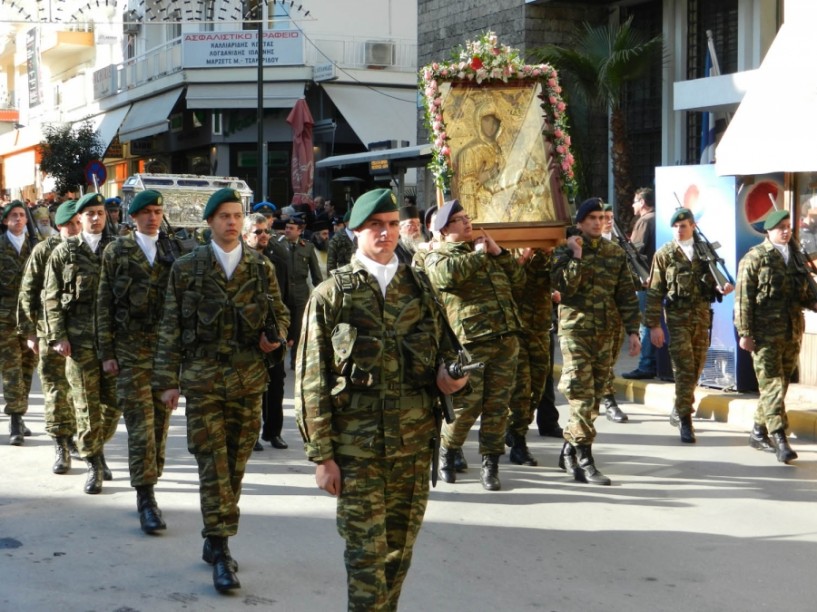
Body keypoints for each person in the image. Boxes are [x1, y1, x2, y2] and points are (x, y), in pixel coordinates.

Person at [295, 187, 467, 611]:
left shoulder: (418, 287)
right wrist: (322, 457)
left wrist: (451, 379)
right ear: (355, 231)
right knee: (366, 561)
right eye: (375, 225)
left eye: (392, 225)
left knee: (398, 557)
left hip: (412, 447)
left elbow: (449, 353)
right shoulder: (332, 295)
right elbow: (310, 382)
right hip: (358, 452)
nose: (386, 233)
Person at [153, 188, 289, 593]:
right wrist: (167, 381)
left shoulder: (260, 266)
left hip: (248, 381)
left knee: (236, 462)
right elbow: (170, 326)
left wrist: (276, 336)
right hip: (203, 379)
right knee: (212, 462)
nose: (231, 222)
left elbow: (279, 313)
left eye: (236, 215)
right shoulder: (187, 267)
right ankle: (221, 544)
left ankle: (215, 534)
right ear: (209, 223)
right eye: (224, 216)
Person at [424, 199, 524, 491]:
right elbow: (448, 276)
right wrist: (481, 254)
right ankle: (448, 450)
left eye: (468, 217)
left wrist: (499, 253)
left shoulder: (485, 252)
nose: (468, 223)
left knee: (497, 406)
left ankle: (490, 464)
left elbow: (518, 281)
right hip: (471, 343)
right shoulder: (439, 256)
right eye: (459, 220)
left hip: (506, 338)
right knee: (468, 405)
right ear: (443, 230)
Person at [97, 190, 176, 533]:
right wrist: (107, 353)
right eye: (146, 212)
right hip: (130, 351)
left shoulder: (174, 251)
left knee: (160, 425)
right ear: (133, 217)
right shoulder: (118, 250)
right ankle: (145, 496)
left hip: (164, 353)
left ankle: (151, 479)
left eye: (158, 211)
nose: (152, 217)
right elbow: (104, 304)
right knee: (141, 426)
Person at [552, 198, 640, 486]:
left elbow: (625, 293)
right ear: (580, 222)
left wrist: (633, 331)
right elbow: (564, 288)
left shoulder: (614, 253)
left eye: (602, 217)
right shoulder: (563, 250)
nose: (598, 222)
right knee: (581, 393)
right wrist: (576, 254)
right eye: (591, 217)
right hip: (576, 332)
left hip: (606, 334)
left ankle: (568, 449)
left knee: (594, 399)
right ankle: (585, 459)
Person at [43, 192, 120, 493]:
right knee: (86, 406)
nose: (96, 218)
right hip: (79, 341)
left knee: (113, 405)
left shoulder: (117, 249)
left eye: (100, 212)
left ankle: (92, 445)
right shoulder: (64, 252)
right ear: (80, 218)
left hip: (112, 342)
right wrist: (58, 336)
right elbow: (50, 297)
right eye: (90, 214)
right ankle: (94, 463)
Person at [645, 208, 734, 444]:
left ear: (693, 226)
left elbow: (716, 280)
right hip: (677, 317)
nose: (679, 230)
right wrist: (654, 325)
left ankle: (679, 405)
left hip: (702, 316)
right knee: (684, 367)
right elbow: (654, 291)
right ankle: (685, 418)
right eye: (675, 226)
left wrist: (721, 287)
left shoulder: (705, 251)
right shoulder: (665, 254)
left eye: (683, 226)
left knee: (696, 366)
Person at [735, 210, 817, 463]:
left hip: (792, 331)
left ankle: (758, 431)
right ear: (768, 231)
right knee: (771, 383)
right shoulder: (755, 258)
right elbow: (743, 299)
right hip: (764, 334)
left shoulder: (795, 258)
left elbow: (803, 295)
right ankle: (780, 437)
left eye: (787, 226)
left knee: (779, 385)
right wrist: (745, 333)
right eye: (780, 227)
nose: (785, 231)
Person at [17, 200, 81, 469]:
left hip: (81, 334)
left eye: (77, 223)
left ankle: (80, 439)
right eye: (68, 225)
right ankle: (61, 444)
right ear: (58, 226)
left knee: (79, 392)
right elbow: (28, 291)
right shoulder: (44, 250)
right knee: (55, 389)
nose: (73, 228)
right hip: (48, 332)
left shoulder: (89, 250)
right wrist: (29, 331)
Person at [242, 213, 291, 451]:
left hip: (275, 333)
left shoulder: (278, 259)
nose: (263, 236)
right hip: (250, 336)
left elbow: (291, 296)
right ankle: (250, 435)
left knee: (276, 385)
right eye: (257, 232)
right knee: (251, 387)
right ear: (245, 235)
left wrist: (289, 332)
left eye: (266, 231)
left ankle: (273, 432)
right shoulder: (238, 261)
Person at [505, 248, 552, 466]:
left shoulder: (554, 252)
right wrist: (524, 256)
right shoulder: (508, 250)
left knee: (538, 387)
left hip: (540, 328)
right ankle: (519, 440)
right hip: (515, 328)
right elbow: (507, 283)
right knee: (520, 388)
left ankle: (514, 427)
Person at [1, 200, 37, 445]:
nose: (18, 219)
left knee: (26, 367)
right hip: (3, 318)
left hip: (30, 319)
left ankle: (20, 415)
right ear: (5, 221)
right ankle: (14, 418)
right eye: (13, 215)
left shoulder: (36, 246)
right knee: (11, 369)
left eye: (22, 215)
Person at [268, 214, 323, 369]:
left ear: (300, 231)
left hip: (300, 293)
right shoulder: (278, 245)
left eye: (291, 228)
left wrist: (320, 294)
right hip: (282, 292)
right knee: (280, 325)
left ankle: (295, 361)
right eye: (286, 228)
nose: (287, 231)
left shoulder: (308, 247)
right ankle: (278, 357)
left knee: (298, 328)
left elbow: (316, 273)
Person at [598, 201, 630, 423]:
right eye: (604, 216)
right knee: (601, 358)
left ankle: (603, 395)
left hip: (616, 312)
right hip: (594, 314)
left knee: (610, 358)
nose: (608, 220)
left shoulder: (622, 245)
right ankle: (608, 399)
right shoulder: (586, 244)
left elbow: (627, 281)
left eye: (611, 216)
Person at [623, 187, 658, 380]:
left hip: (645, 281)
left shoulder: (644, 221)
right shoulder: (657, 219)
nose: (633, 205)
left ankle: (646, 365)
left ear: (643, 202)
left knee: (646, 322)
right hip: (656, 280)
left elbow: (634, 253)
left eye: (635, 201)